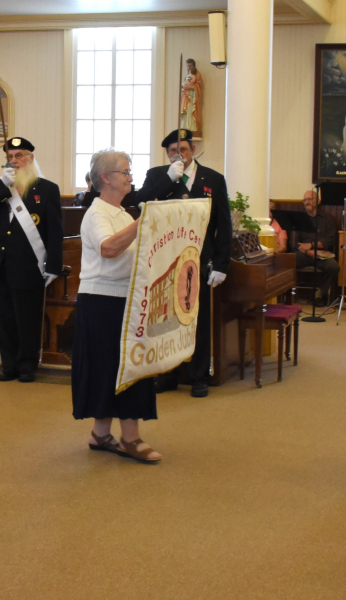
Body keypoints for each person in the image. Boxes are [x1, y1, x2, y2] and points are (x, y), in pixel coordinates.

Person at [71, 149, 160, 463]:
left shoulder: (121, 213)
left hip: (125, 297)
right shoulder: (97, 214)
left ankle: (101, 435)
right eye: (125, 171)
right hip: (101, 301)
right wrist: (142, 223)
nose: (131, 177)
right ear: (106, 178)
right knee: (108, 367)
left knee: (121, 366)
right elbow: (108, 248)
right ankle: (130, 439)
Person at [136, 129, 231, 398]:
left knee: (197, 317)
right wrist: (168, 181)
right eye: (173, 152)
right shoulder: (157, 175)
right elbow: (140, 202)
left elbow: (223, 224)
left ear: (193, 151)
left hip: (200, 259)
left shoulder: (213, 178)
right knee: (166, 317)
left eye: (184, 150)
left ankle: (198, 375)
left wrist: (222, 264)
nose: (179, 155)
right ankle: (168, 374)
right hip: (166, 259)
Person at [0, 137, 63, 383]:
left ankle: (27, 365)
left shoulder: (46, 189)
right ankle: (9, 365)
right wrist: (2, 186)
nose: (14, 161)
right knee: (3, 319)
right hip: (0, 264)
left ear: (31, 158)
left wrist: (53, 265)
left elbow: (55, 231)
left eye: (20, 156)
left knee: (27, 318)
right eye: (10, 156)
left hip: (29, 265)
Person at [293, 189, 339, 307]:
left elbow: (330, 240)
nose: (307, 202)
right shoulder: (299, 219)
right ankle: (291, 294)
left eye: (310, 199)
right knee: (288, 262)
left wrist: (312, 246)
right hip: (304, 254)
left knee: (334, 267)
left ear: (318, 201)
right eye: (305, 200)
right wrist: (309, 251)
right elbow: (294, 243)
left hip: (322, 254)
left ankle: (319, 294)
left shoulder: (328, 219)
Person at [179, 58, 203, 136]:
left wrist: (191, 87)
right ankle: (185, 127)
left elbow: (198, 85)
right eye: (187, 66)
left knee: (191, 112)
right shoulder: (188, 75)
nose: (189, 67)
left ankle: (192, 128)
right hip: (186, 96)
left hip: (192, 97)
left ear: (193, 66)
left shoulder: (197, 74)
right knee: (186, 113)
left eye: (190, 66)